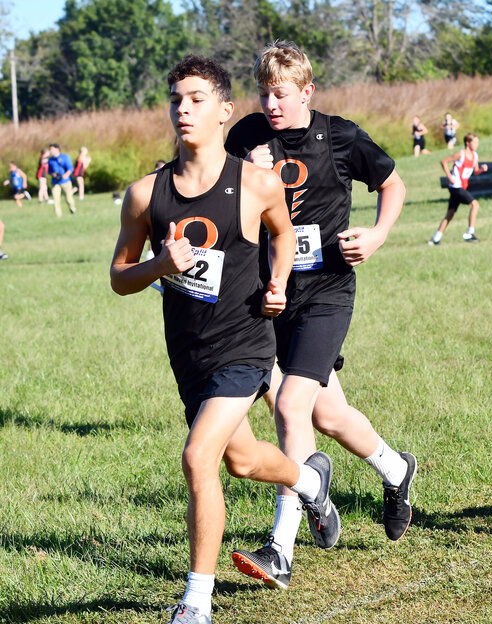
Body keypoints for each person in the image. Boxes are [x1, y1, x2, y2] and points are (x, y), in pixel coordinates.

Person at [110, 55, 340, 624]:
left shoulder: (257, 183)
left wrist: (280, 283)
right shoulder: (145, 194)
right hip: (189, 353)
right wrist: (160, 264)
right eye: (175, 100)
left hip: (246, 345)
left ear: (224, 112)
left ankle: (196, 601)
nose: (182, 109)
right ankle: (310, 478)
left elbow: (283, 235)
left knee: (198, 457)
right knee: (240, 461)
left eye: (196, 99)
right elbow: (119, 277)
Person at [224, 40, 415, 590]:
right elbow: (225, 199)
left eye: (280, 94)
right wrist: (245, 172)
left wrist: (376, 235)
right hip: (268, 293)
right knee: (328, 415)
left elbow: (392, 183)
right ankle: (397, 471)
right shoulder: (245, 139)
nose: (271, 104)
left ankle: (280, 547)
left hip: (326, 293)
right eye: (263, 94)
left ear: (307, 91)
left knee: (291, 405)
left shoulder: (341, 136)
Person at [428, 132, 488, 245]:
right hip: (456, 187)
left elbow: (475, 171)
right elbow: (444, 161)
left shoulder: (475, 156)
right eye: (474, 142)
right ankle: (470, 234)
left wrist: (481, 170)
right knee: (475, 205)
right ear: (467, 143)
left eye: (477, 142)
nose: (477, 144)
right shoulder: (460, 154)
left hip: (462, 187)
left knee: (450, 214)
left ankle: (436, 238)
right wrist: (450, 177)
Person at [47, 143, 76, 217]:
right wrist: (52, 174)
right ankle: (58, 216)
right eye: (50, 149)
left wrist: (66, 175)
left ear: (57, 149)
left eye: (52, 149)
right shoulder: (50, 160)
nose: (50, 151)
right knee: (56, 200)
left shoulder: (65, 157)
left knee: (69, 198)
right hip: (55, 182)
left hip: (65, 181)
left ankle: (73, 209)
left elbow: (70, 168)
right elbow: (49, 171)